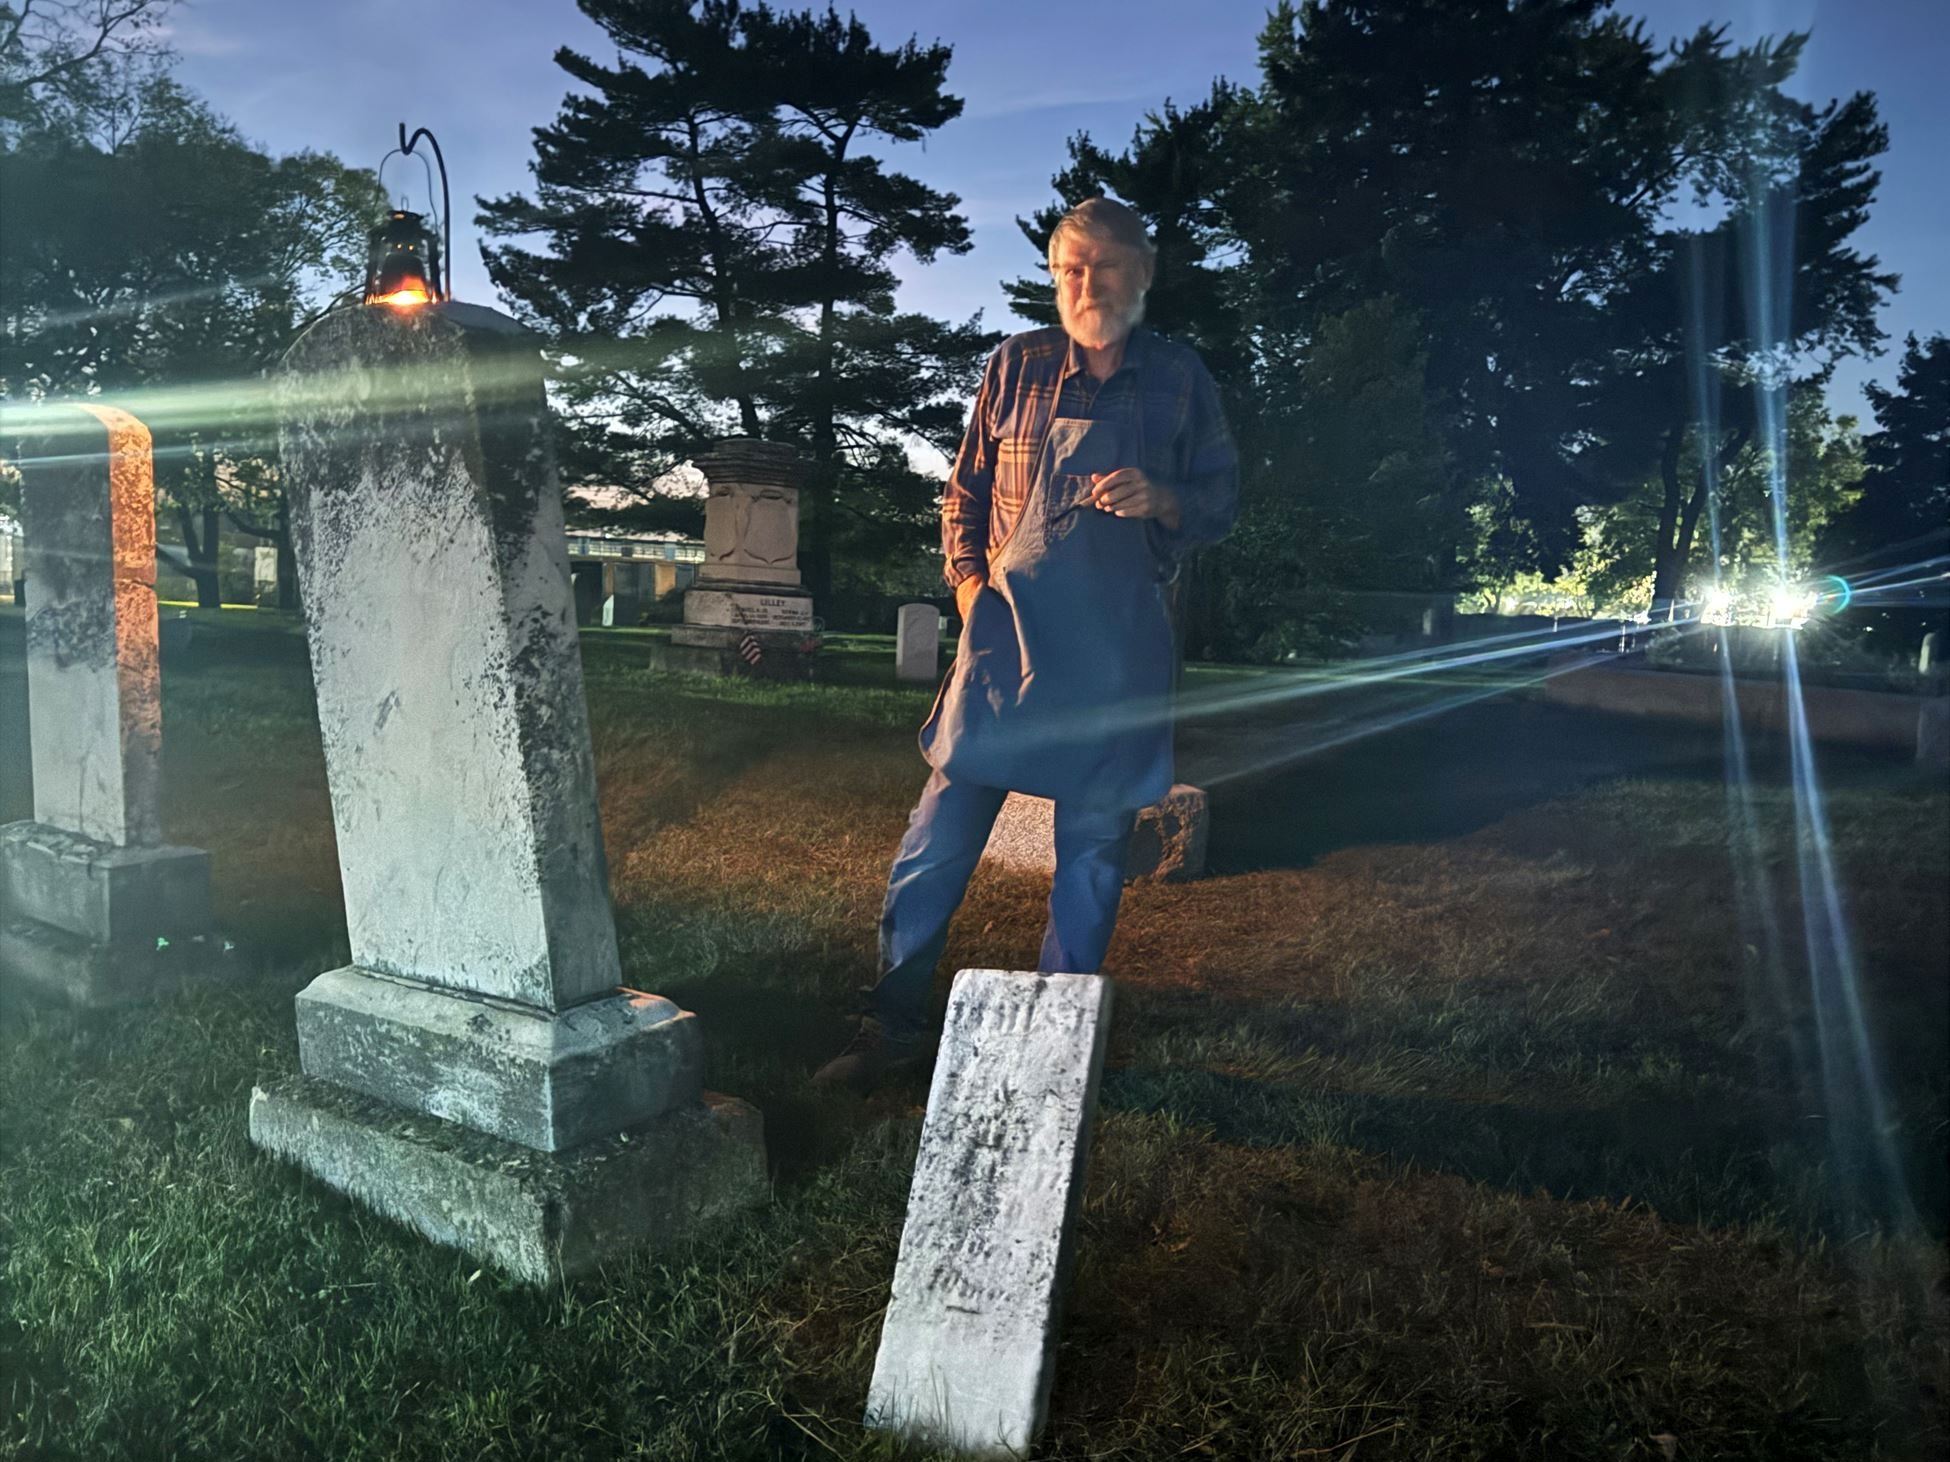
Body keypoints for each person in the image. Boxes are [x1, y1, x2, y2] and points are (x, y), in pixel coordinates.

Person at [814, 197, 1239, 1093]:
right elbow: (962, 496)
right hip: (1006, 642)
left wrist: (1165, 498)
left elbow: (1221, 502)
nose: (1087, 283)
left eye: (1107, 264)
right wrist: (970, 591)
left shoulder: (1179, 378)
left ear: (1145, 271)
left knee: (1090, 859)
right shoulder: (1017, 365)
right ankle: (888, 1023)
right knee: (938, 839)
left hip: (1116, 650)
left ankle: (1053, 1049)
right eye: (1070, 268)